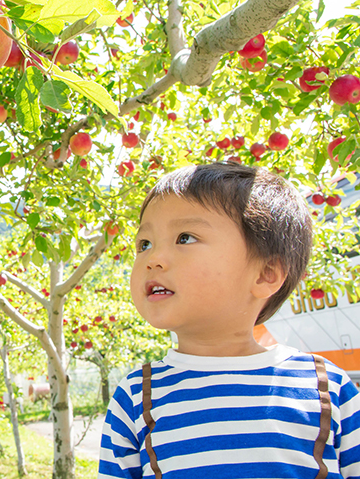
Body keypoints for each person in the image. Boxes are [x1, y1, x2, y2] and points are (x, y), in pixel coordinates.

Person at [98, 162, 360, 478]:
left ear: (266, 274)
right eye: (145, 244)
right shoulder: (138, 396)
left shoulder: (327, 389)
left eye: (184, 238)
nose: (152, 259)